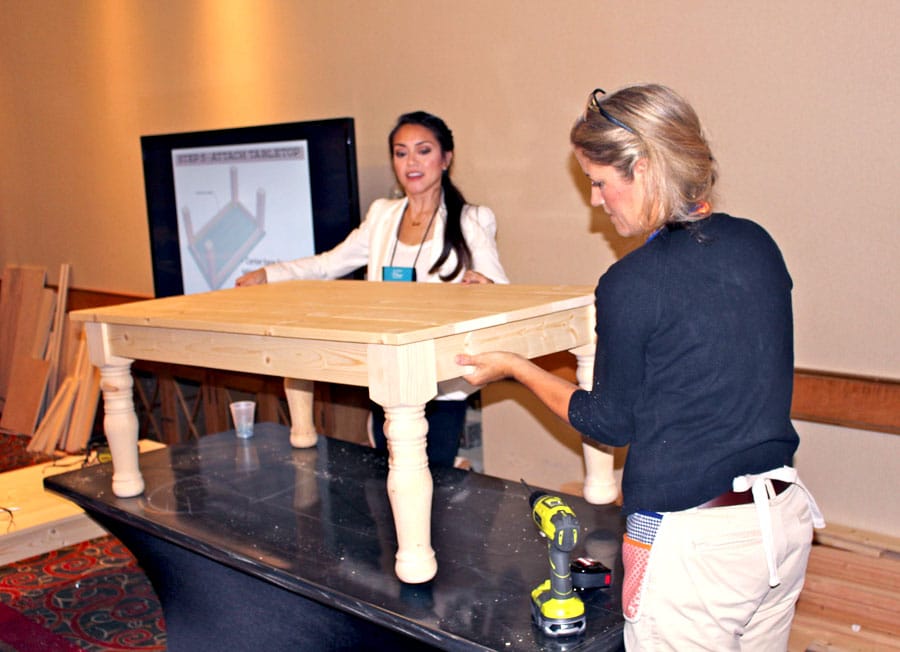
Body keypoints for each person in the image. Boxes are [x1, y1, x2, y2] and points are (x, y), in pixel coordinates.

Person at [457, 84, 823, 650]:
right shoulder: (756, 243)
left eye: (601, 183)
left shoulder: (632, 282)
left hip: (698, 549)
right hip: (783, 519)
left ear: (646, 168)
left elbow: (610, 422)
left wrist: (517, 369)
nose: (597, 201)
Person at [237, 111, 509, 468]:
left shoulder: (472, 219)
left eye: (423, 151)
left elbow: (499, 288)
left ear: (446, 159)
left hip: (440, 382)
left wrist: (486, 286)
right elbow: (327, 264)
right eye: (401, 152)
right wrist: (269, 274)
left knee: (436, 480)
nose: (411, 162)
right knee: (388, 478)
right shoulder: (382, 215)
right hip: (387, 375)